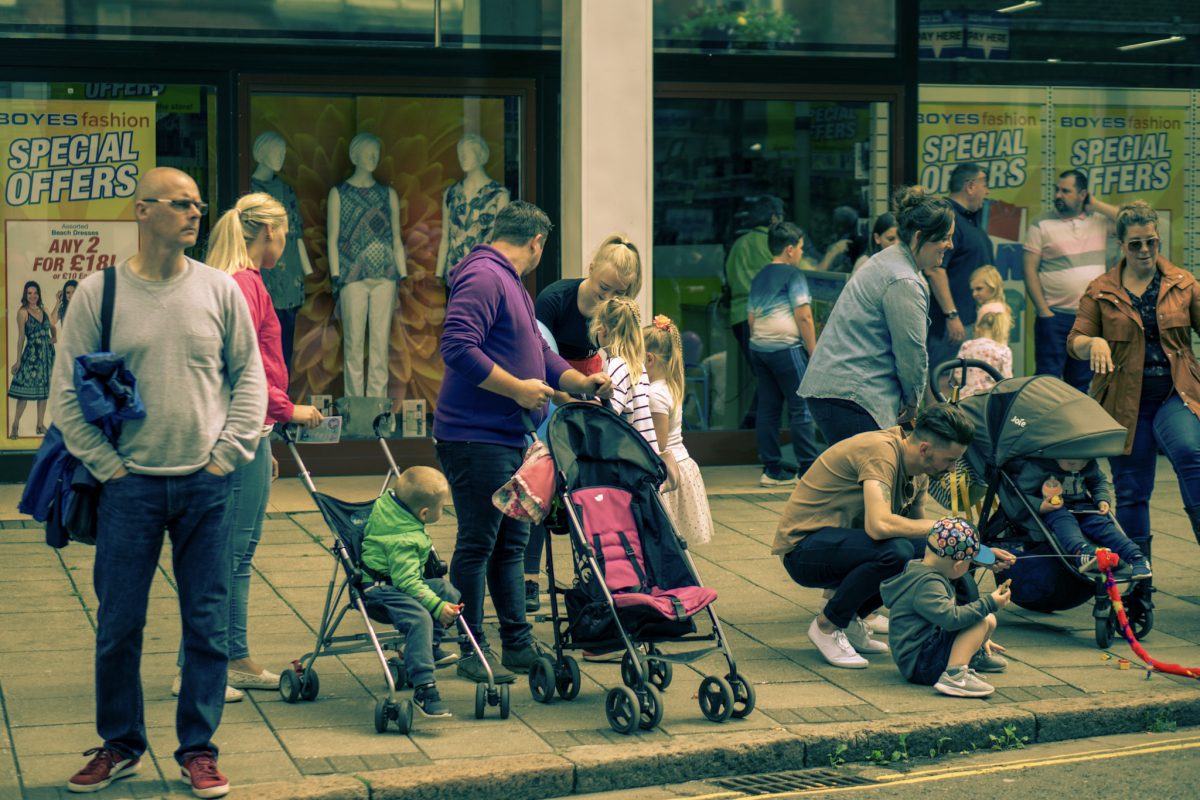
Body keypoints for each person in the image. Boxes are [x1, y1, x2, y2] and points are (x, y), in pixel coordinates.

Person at [52, 167, 266, 797]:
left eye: (199, 204)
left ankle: (198, 749)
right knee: (119, 621)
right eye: (180, 204)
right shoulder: (101, 294)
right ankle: (120, 744)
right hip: (129, 487)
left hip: (207, 483)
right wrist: (108, 466)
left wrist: (228, 455)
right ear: (142, 211)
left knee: (207, 621)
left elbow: (248, 378)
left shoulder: (219, 291)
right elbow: (67, 393)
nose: (195, 213)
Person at [435, 200, 613, 684]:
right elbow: (456, 346)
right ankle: (472, 647)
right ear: (537, 243)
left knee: (511, 546)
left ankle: (515, 643)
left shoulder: (510, 281)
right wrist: (516, 389)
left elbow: (537, 352)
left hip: (509, 436)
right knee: (478, 544)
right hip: (475, 438)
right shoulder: (485, 276)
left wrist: (578, 383)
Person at [171, 192, 325, 701]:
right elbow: (248, 365)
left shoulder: (236, 280)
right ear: (269, 233)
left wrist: (267, 431)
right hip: (241, 433)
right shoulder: (244, 283)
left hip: (246, 432)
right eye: (284, 234)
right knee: (228, 554)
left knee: (231, 552)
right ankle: (205, 665)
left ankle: (229, 657)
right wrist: (287, 411)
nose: (285, 242)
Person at [772, 404, 1014, 669]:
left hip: (843, 546)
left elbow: (930, 546)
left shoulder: (920, 471)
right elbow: (878, 527)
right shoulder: (881, 452)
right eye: (949, 460)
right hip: (803, 551)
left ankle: (855, 619)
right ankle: (827, 625)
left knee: (920, 553)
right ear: (925, 449)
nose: (954, 469)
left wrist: (980, 554)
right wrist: (941, 524)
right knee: (897, 551)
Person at [1068, 200, 1200, 549]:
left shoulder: (1182, 284)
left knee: (1190, 452)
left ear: (1158, 241)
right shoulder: (1100, 289)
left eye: (1151, 242)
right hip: (1125, 401)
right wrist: (1093, 342)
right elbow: (1075, 341)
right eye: (1136, 244)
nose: (1145, 250)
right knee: (1131, 489)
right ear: (1121, 244)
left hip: (1175, 393)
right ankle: (1139, 586)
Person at [525, 233, 643, 611]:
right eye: (603, 288)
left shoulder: (616, 306)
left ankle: (598, 570)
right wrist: (570, 400)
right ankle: (528, 577)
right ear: (590, 269)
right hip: (555, 390)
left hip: (590, 395)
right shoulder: (555, 300)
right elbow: (541, 359)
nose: (607, 299)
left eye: (616, 293)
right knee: (542, 486)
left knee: (589, 491)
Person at [800, 186, 955, 446]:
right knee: (872, 481)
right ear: (919, 237)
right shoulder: (903, 279)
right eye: (944, 238)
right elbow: (911, 353)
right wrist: (914, 403)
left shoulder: (888, 261)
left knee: (855, 482)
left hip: (838, 391)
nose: (950, 245)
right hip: (855, 395)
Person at [362, 466, 463, 718]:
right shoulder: (403, 539)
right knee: (421, 617)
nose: (443, 510)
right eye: (442, 507)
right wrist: (437, 608)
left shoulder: (392, 505)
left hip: (399, 583)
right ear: (424, 512)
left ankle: (429, 646)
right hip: (382, 593)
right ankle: (424, 687)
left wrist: (440, 602)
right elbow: (407, 582)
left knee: (446, 590)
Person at [880, 518, 1011, 698]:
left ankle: (969, 657)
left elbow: (946, 619)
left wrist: (976, 640)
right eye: (969, 562)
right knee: (980, 621)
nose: (971, 564)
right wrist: (990, 603)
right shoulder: (928, 584)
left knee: (988, 620)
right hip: (921, 664)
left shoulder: (923, 567)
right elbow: (951, 619)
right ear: (958, 565)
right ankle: (954, 676)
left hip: (925, 654)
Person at [327, 132, 407, 398]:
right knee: (353, 344)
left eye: (376, 152)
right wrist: (336, 273)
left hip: (385, 274)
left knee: (379, 344)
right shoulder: (339, 193)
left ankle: (377, 407)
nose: (373, 157)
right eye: (367, 152)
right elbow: (333, 237)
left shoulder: (388, 194)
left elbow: (396, 236)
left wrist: (401, 272)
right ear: (355, 156)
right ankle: (354, 406)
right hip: (351, 275)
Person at [1025, 169, 1119, 394]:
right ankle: (1046, 428)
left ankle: (1073, 429)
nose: (1058, 195)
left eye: (1065, 191)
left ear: (1083, 194)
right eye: (1057, 190)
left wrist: (1094, 204)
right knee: (1047, 383)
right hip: (1054, 317)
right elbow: (1029, 269)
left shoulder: (1099, 222)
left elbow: (1132, 219)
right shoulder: (1041, 224)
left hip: (1088, 318)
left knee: (1080, 384)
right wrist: (1043, 311)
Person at [746, 222, 819, 486]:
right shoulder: (794, 276)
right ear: (790, 250)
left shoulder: (759, 276)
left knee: (768, 408)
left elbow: (751, 318)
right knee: (802, 407)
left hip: (760, 348)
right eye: (800, 248)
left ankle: (772, 469)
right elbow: (804, 316)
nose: (801, 253)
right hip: (786, 349)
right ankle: (809, 469)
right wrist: (813, 351)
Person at [1011, 456, 1151, 580]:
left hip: (1084, 506)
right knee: (1066, 526)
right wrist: (1040, 506)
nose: (1078, 467)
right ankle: (1082, 552)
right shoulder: (1039, 466)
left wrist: (1102, 499)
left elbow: (1098, 482)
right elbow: (1021, 492)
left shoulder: (1088, 463)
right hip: (1055, 508)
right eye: (1071, 464)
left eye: (1083, 463)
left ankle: (1136, 557)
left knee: (1104, 527)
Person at [590, 296, 679, 490]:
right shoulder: (636, 366)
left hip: (626, 462)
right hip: (642, 460)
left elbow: (609, 412)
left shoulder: (616, 365)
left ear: (602, 329)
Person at [645, 314, 713, 545]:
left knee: (665, 539)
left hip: (669, 470)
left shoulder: (654, 394)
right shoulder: (669, 386)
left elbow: (659, 443)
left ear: (649, 359)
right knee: (674, 542)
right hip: (681, 463)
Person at [250, 131, 313, 371]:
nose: (281, 157)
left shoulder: (287, 191)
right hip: (260, 274)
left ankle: (280, 399)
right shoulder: (248, 190)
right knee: (258, 339)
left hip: (289, 276)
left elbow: (295, 233)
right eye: (276, 152)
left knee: (284, 341)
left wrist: (306, 270)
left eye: (284, 153)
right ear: (261, 154)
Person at [925, 162, 994, 376]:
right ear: (970, 186)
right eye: (984, 184)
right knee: (943, 380)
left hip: (969, 322)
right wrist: (952, 315)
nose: (987, 191)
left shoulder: (968, 219)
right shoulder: (948, 218)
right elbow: (935, 269)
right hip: (951, 327)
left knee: (964, 383)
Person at [434, 134, 511, 279]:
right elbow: (445, 236)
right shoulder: (451, 193)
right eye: (460, 154)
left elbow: (502, 239)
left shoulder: (499, 195)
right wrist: (438, 274)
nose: (462, 158)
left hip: (485, 273)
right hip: (454, 273)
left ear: (480, 155)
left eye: (467, 153)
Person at [9, 280, 55, 438]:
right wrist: (18, 360)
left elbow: (53, 325)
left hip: (47, 355)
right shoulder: (22, 312)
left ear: (39, 294)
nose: (33, 296)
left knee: (43, 391)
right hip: (32, 355)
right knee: (24, 392)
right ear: (25, 294)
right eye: (29, 293)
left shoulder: (44, 309)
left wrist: (53, 337)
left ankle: (40, 425)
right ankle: (15, 425)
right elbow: (21, 337)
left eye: (35, 293)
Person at [951, 301, 1013, 399]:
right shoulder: (1003, 350)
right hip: (989, 402)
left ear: (977, 326)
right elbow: (1007, 382)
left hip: (966, 399)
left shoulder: (967, 345)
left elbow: (958, 374)